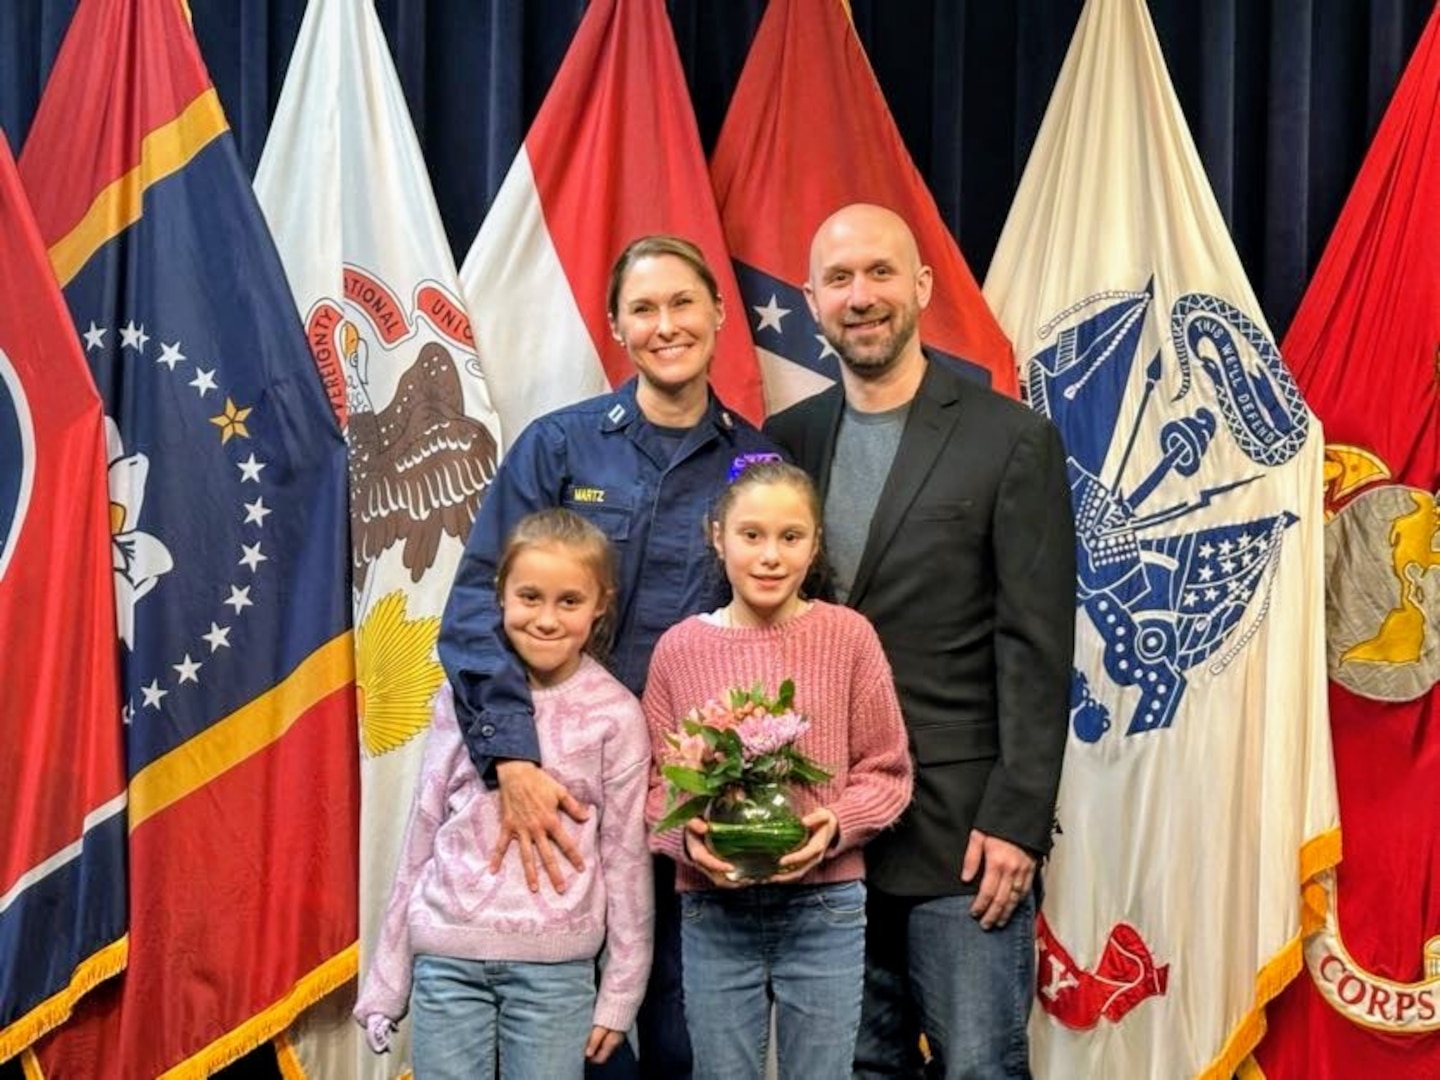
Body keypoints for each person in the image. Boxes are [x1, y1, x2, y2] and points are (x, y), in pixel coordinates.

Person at [438, 235, 777, 1079]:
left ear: (718, 315)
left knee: (680, 1028)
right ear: (617, 327)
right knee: (562, 1042)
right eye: (645, 309)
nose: (666, 325)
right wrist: (511, 758)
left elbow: (779, 638)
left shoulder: (759, 465)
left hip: (695, 799)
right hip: (556, 797)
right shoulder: (558, 449)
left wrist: (752, 790)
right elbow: (480, 605)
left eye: (682, 304)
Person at [763, 204, 1076, 1080]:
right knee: (856, 1069)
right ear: (812, 300)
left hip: (965, 841)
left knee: (979, 1065)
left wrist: (1018, 822)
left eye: (880, 273)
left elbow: (1037, 644)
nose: (860, 297)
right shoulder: (784, 447)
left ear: (922, 288)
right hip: (824, 841)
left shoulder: (1011, 439)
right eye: (839, 279)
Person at [355, 508, 652, 1080]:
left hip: (555, 968)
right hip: (448, 958)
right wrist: (388, 980)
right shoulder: (461, 698)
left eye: (569, 601)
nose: (545, 619)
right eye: (530, 597)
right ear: (500, 596)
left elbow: (625, 860)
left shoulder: (615, 715)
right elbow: (421, 830)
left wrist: (620, 993)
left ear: (600, 605)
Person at [642, 460, 913, 1080]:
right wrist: (686, 839)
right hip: (715, 909)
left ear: (815, 544)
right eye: (751, 535)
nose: (770, 556)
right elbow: (656, 784)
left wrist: (837, 824)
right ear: (718, 537)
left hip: (826, 906)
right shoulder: (679, 650)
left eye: (791, 537)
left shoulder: (848, 637)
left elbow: (887, 770)